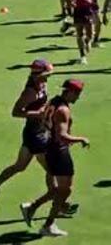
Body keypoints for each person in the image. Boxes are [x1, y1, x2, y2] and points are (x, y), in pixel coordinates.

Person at [0, 59, 53, 212]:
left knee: (20, 166)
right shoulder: (30, 92)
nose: (48, 77)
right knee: (53, 168)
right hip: (34, 134)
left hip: (39, 131)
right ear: (36, 75)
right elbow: (16, 112)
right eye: (46, 74)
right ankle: (57, 204)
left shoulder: (42, 84)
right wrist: (37, 114)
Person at [31, 80, 89, 238]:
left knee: (60, 190)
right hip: (59, 151)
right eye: (77, 94)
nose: (78, 97)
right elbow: (62, 136)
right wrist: (81, 139)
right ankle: (47, 223)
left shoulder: (53, 102)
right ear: (70, 92)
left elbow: (44, 120)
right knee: (65, 190)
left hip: (49, 148)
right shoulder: (63, 109)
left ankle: (34, 209)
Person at [66, 0, 98, 64]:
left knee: (90, 33)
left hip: (88, 9)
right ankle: (82, 55)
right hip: (78, 10)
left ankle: (87, 41)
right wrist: (71, 2)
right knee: (79, 33)